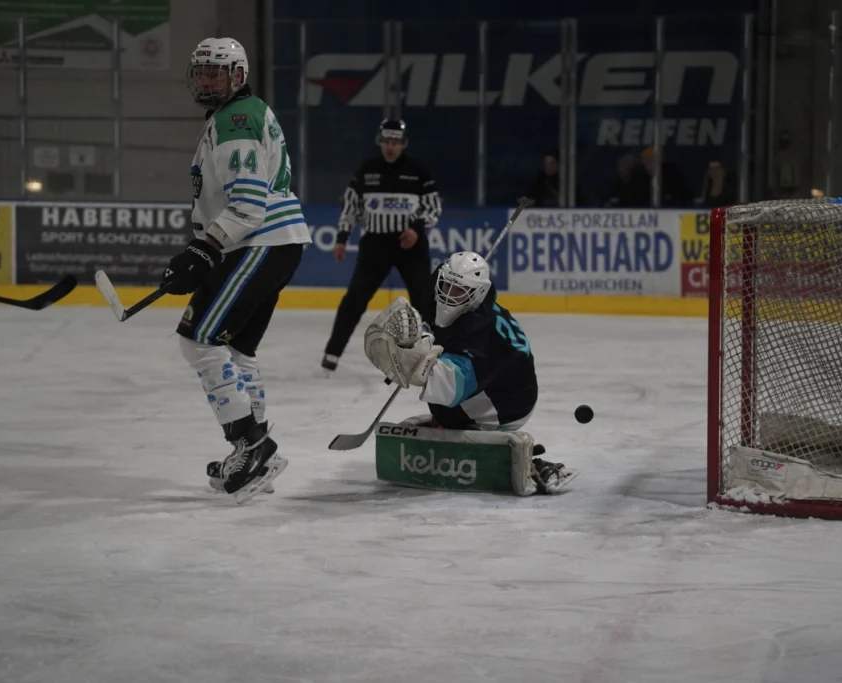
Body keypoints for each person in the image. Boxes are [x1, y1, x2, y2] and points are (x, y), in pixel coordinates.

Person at [161, 37, 311, 503]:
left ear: (239, 76)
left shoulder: (236, 119)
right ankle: (258, 453)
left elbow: (247, 204)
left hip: (260, 242)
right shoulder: (231, 116)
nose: (207, 81)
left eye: (217, 73)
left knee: (199, 339)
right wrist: (206, 250)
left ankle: (252, 444)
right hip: (272, 244)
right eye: (202, 72)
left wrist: (204, 249)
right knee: (237, 349)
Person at [362, 252, 574, 494]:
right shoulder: (440, 284)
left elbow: (449, 388)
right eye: (447, 286)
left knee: (441, 395)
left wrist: (410, 362)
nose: (448, 295)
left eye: (459, 291)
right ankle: (452, 420)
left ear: (478, 294)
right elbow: (439, 290)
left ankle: (471, 425)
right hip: (492, 379)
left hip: (507, 405)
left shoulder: (479, 331)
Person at [321, 119, 442, 372]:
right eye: (387, 141)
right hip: (375, 246)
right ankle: (332, 352)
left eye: (395, 142)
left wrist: (415, 229)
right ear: (380, 142)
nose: (391, 147)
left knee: (424, 301)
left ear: (403, 144)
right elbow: (351, 207)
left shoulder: (417, 171)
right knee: (355, 298)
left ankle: (434, 353)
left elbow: (433, 207)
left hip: (411, 246)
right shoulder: (367, 171)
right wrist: (342, 238)